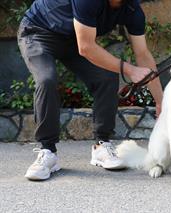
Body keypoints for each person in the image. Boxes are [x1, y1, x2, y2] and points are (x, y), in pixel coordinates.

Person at [17, 0, 163, 180]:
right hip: (38, 32)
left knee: (107, 76)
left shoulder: (132, 9)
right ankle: (48, 152)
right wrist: (130, 70)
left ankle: (101, 146)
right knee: (47, 80)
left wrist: (161, 102)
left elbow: (143, 54)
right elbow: (86, 47)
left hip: (74, 39)